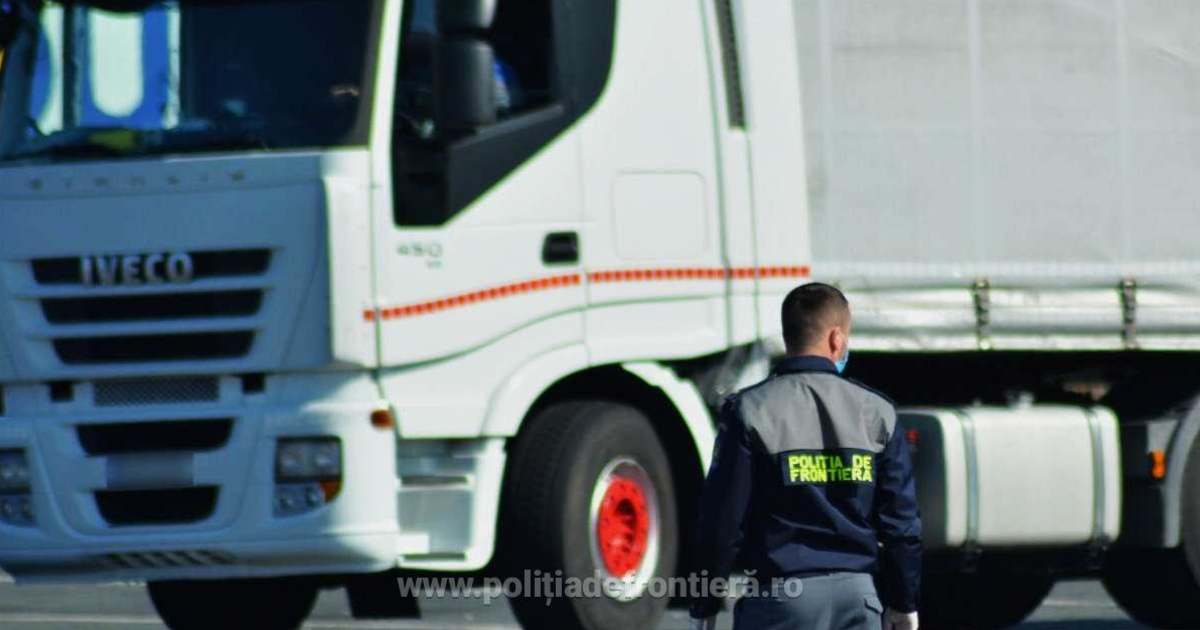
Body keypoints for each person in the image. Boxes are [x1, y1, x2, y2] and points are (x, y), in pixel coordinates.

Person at [689, 282, 921, 630]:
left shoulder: (750, 410)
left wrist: (705, 602)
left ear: (788, 338)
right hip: (859, 601)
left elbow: (721, 523)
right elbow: (901, 525)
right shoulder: (878, 413)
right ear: (837, 339)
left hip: (780, 600)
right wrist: (903, 602)